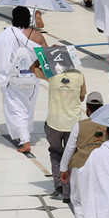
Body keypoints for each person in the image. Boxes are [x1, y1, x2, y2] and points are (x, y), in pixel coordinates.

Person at [0, 7, 48, 154]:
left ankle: (24, 141)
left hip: (14, 79)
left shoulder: (7, 34)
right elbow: (45, 56)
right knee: (28, 107)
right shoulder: (37, 35)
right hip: (32, 78)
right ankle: (25, 133)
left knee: (16, 109)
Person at [60, 92, 107, 218]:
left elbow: (69, 148)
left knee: (78, 201)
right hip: (101, 169)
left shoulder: (79, 126)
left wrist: (63, 168)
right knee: (99, 202)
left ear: (87, 108)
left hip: (80, 167)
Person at [45, 67, 86, 200]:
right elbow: (82, 97)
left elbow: (33, 69)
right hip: (72, 123)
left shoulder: (51, 73)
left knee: (55, 153)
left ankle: (59, 184)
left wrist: (42, 59)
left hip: (54, 122)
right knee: (71, 156)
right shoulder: (79, 75)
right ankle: (68, 191)